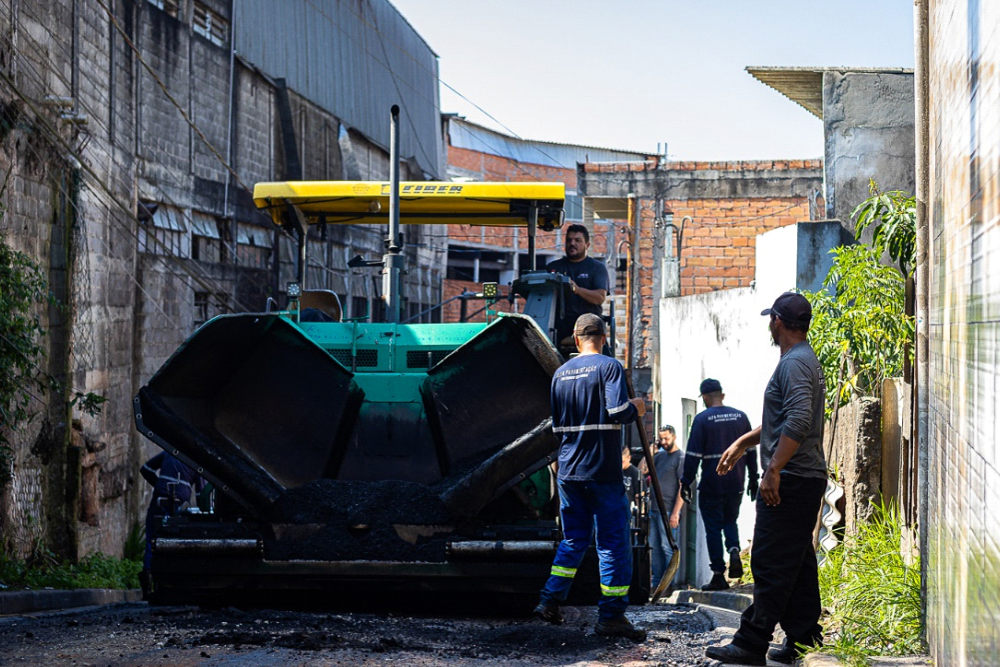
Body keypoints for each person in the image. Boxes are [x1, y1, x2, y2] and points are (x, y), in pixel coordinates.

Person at [705, 292, 828, 666]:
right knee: (796, 561)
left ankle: (751, 641)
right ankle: (804, 638)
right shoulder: (801, 360)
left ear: (777, 321)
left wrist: (773, 469)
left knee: (771, 560)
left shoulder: (793, 364)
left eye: (769, 320)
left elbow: (798, 420)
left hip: (792, 478)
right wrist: (745, 441)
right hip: (802, 477)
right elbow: (784, 419)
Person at [534, 313, 647, 642]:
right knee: (612, 544)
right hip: (602, 470)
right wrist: (636, 407)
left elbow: (556, 429)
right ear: (604, 335)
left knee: (573, 540)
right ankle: (611, 615)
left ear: (575, 336)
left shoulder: (560, 374)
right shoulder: (609, 366)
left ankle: (550, 601)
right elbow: (616, 412)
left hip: (569, 472)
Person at [680, 378, 757, 591]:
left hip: (712, 482)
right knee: (730, 519)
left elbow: (693, 455)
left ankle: (717, 574)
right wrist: (754, 477)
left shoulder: (702, 420)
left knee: (713, 528)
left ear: (704, 398)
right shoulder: (741, 417)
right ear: (721, 395)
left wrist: (686, 481)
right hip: (737, 481)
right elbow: (751, 449)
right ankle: (733, 548)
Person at [139, 451, 204, 598]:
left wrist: (159, 485)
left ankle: (148, 584)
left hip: (160, 500)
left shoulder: (169, 452)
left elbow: (146, 469)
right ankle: (171, 581)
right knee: (177, 541)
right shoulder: (196, 460)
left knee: (152, 539)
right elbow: (201, 494)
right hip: (179, 504)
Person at [546, 224, 609, 345]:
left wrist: (577, 289)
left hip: (588, 325)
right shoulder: (553, 267)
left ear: (587, 245)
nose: (572, 243)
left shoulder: (597, 268)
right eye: (569, 240)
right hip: (558, 325)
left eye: (577, 240)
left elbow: (600, 298)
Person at [649, 425, 685, 593]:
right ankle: (656, 583)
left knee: (667, 547)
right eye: (661, 439)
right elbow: (644, 469)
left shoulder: (680, 458)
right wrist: (652, 450)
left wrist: (676, 512)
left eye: (666, 439)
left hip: (669, 510)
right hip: (654, 509)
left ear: (674, 437)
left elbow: (682, 487)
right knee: (654, 547)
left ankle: (669, 584)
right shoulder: (659, 456)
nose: (663, 442)